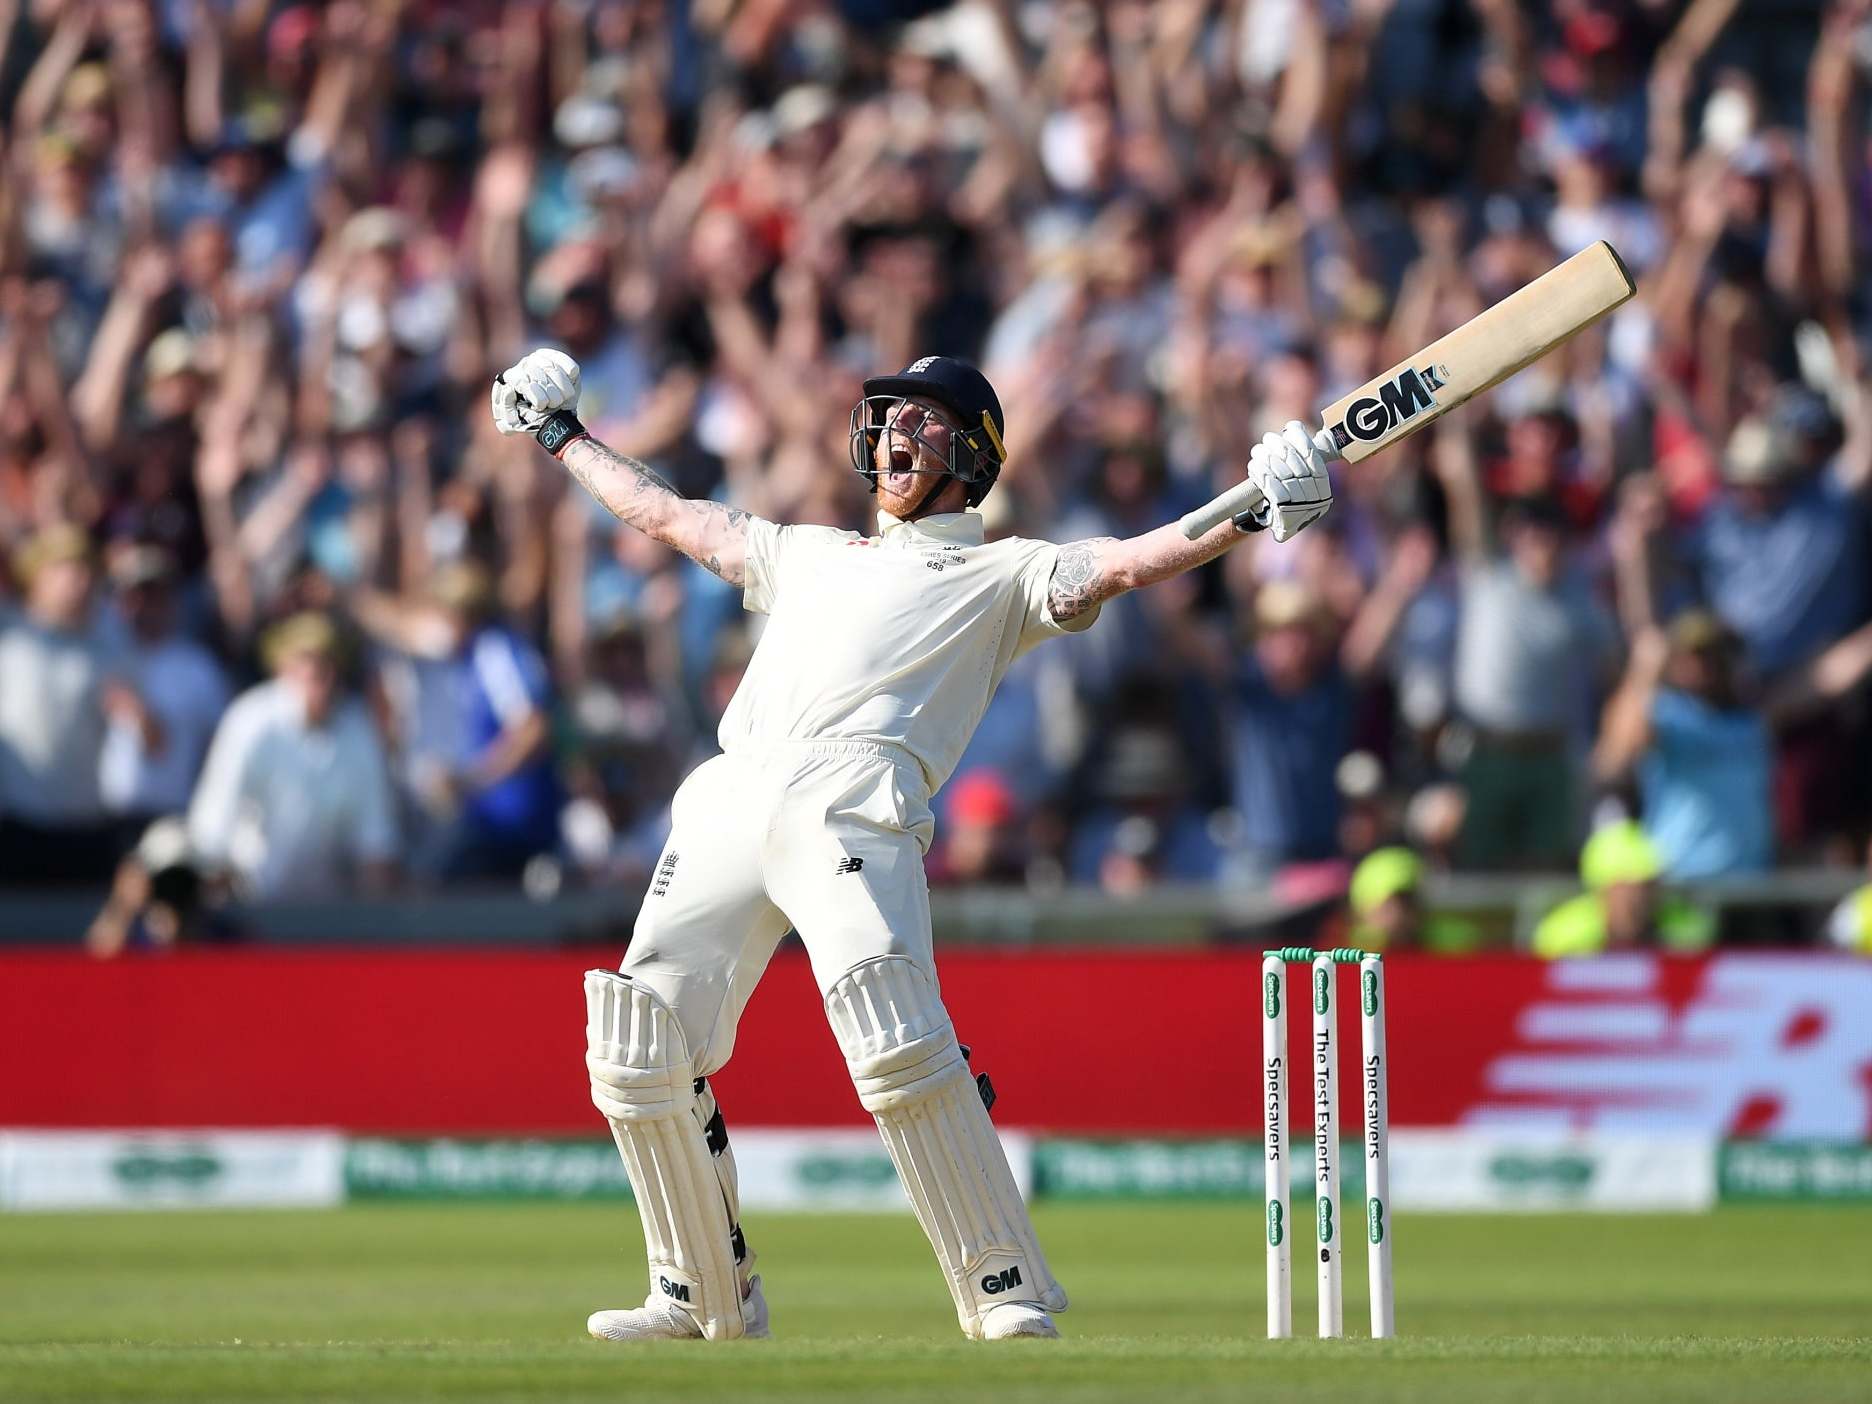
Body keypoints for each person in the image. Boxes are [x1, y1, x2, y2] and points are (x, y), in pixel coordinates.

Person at [489, 347, 1333, 1342]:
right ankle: (702, 1295)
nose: (896, 434)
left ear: (973, 455)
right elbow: (672, 515)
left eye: (925, 423)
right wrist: (561, 436)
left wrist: (1252, 506)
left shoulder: (1000, 572)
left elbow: (1128, 559)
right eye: (890, 417)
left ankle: (1002, 1286)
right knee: (635, 1047)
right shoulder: (806, 551)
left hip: (856, 801)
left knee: (893, 1036)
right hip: (732, 788)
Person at [187, 612, 400, 899]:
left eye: (328, 661)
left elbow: (375, 842)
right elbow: (214, 822)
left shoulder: (359, 732)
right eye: (307, 660)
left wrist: (375, 923)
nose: (319, 673)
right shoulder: (250, 721)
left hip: (328, 916)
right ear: (283, 666)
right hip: (247, 905)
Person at [1531, 821, 1714, 958]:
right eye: (1628, 887)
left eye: (1648, 885)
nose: (1640, 898)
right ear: (1601, 890)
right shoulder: (1562, 938)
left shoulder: (1687, 933)